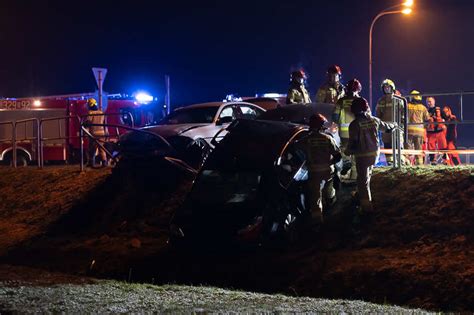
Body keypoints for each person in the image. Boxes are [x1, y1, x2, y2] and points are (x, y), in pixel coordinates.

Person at [345, 97, 397, 214]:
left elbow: (352, 143)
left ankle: (366, 207)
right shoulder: (374, 120)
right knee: (367, 176)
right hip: (375, 155)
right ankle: (360, 195)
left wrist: (347, 152)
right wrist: (394, 125)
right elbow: (387, 128)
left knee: (362, 181)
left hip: (362, 156)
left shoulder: (354, 124)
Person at [302, 114, 341, 222]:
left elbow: (296, 147)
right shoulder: (327, 138)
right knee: (330, 192)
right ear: (321, 126)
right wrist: (330, 163)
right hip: (328, 171)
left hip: (313, 172)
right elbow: (338, 156)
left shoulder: (306, 139)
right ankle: (331, 211)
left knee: (315, 198)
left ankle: (317, 221)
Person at [333, 78, 362, 180]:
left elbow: (335, 117)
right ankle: (354, 177)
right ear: (358, 89)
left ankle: (345, 175)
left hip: (344, 135)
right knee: (356, 156)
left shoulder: (341, 101)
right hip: (357, 134)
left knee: (345, 154)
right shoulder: (361, 101)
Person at [375, 79, 406, 165]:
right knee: (387, 145)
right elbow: (377, 115)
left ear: (392, 88)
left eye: (388, 87)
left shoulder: (399, 99)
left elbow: (404, 112)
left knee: (398, 145)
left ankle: (401, 162)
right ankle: (390, 163)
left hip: (397, 127)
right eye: (385, 87)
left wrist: (402, 124)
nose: (386, 89)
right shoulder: (381, 101)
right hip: (385, 128)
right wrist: (378, 126)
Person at [407, 90, 430, 165]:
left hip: (408, 131)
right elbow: (428, 120)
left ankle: (407, 165)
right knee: (418, 150)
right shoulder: (423, 108)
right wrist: (424, 127)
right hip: (419, 131)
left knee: (407, 151)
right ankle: (419, 166)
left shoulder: (407, 106)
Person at [85, 98, 108, 167]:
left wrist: (84, 125)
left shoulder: (90, 113)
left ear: (89, 105)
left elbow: (88, 122)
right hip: (102, 133)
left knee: (91, 149)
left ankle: (91, 162)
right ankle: (104, 162)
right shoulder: (101, 112)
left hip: (93, 134)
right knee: (101, 148)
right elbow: (105, 123)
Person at [426, 97, 447, 165]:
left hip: (440, 131)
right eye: (428, 102)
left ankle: (445, 160)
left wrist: (444, 124)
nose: (429, 103)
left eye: (430, 101)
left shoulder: (439, 110)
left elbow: (446, 118)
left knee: (443, 146)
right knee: (431, 147)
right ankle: (433, 161)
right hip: (430, 133)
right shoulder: (425, 111)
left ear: (434, 102)